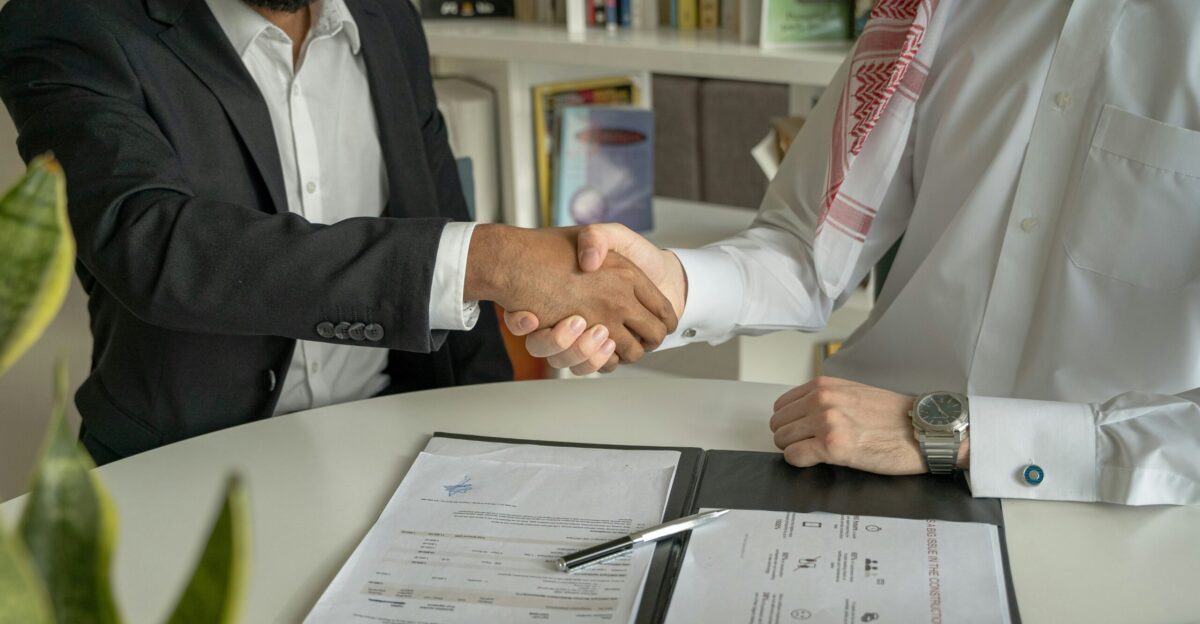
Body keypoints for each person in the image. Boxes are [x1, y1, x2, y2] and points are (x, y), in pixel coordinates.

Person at [511, 0, 1200, 505]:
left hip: (1119, 513)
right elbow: (806, 250)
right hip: (858, 476)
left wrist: (959, 435)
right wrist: (668, 286)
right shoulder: (933, 9)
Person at [0, 0, 675, 464]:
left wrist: (493, 435)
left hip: (397, 447)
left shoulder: (387, 20)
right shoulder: (66, 21)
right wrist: (493, 258)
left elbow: (441, 221)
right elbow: (153, 244)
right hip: (184, 468)